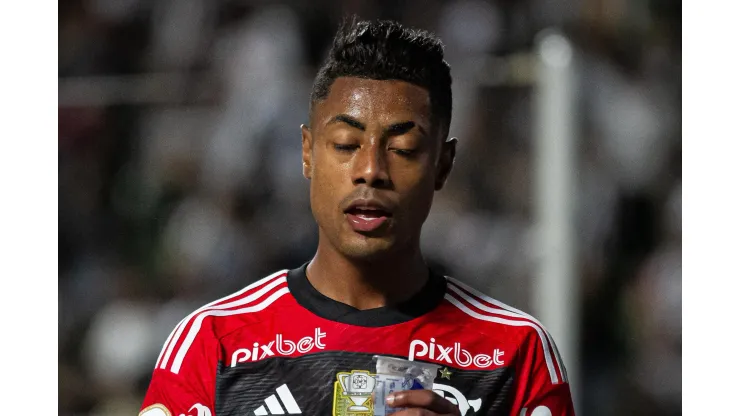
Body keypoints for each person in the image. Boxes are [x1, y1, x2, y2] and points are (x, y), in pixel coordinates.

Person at [139, 17, 575, 416]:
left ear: (443, 165)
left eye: (403, 150)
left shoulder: (516, 353)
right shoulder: (213, 344)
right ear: (307, 153)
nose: (371, 170)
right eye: (346, 144)